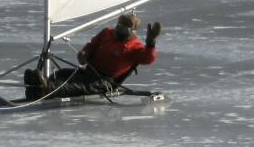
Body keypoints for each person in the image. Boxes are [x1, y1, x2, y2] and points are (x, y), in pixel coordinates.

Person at [24, 13, 162, 99]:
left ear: (133, 31)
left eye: (125, 28)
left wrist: (151, 42)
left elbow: (148, 58)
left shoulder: (135, 46)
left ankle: (45, 89)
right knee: (61, 74)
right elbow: (91, 45)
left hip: (105, 81)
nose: (119, 29)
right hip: (88, 71)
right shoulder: (107, 33)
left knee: (76, 86)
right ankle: (36, 88)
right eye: (119, 25)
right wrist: (83, 53)